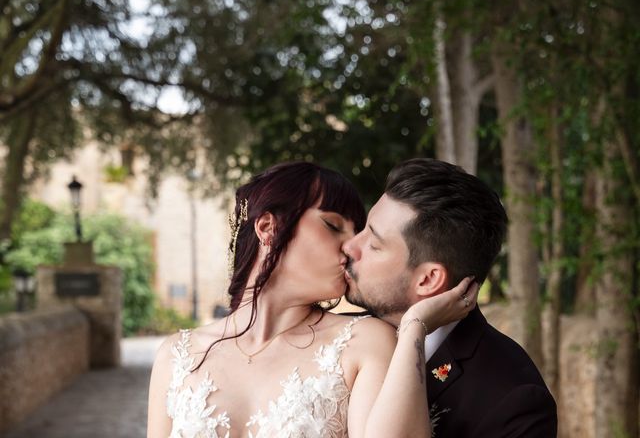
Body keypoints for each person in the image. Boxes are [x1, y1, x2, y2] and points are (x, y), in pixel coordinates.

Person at [147, 161, 478, 438]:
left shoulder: (365, 343)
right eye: (334, 226)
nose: (350, 247)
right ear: (268, 228)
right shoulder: (176, 356)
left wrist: (414, 328)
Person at [343, 158, 558, 437]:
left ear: (429, 279)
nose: (349, 247)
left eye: (374, 244)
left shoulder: (513, 400)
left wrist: (414, 327)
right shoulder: (339, 334)